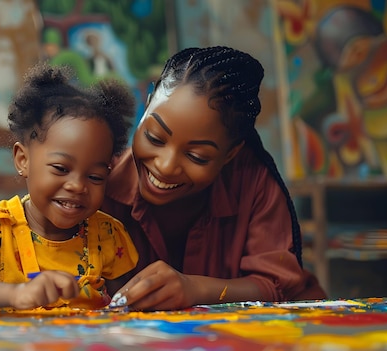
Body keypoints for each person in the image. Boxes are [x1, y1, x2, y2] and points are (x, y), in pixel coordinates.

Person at [102, 46, 328, 311]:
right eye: (154, 137)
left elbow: (276, 285)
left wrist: (195, 289)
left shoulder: (253, 181)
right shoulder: (97, 183)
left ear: (231, 154)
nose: (165, 166)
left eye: (197, 156)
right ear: (148, 103)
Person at [0, 63, 139, 314]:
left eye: (95, 176)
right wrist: (15, 293)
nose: (77, 185)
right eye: (61, 168)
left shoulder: (107, 235)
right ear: (23, 160)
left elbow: (128, 307)